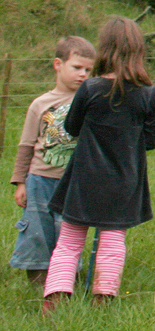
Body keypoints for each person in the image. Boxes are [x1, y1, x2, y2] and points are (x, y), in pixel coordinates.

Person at [41, 18, 155, 314]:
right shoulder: (148, 93)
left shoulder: (90, 88)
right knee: (112, 241)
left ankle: (54, 299)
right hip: (124, 181)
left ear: (104, 49)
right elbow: (153, 139)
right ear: (138, 50)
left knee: (69, 240)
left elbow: (72, 127)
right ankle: (103, 298)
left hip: (85, 178)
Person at [9, 37, 95, 287]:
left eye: (88, 70)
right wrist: (20, 182)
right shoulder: (40, 104)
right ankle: (38, 281)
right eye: (77, 67)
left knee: (68, 232)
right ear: (58, 64)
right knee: (37, 231)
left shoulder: (90, 102)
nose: (82, 74)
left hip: (73, 182)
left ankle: (69, 280)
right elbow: (26, 145)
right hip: (39, 180)